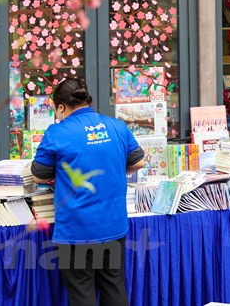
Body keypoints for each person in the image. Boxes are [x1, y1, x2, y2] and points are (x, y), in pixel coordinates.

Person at [31, 77, 145, 306]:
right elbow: (138, 162)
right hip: (113, 226)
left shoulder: (57, 133)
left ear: (61, 107)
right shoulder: (116, 126)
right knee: (114, 288)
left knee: (81, 293)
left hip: (76, 230)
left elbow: (39, 176)